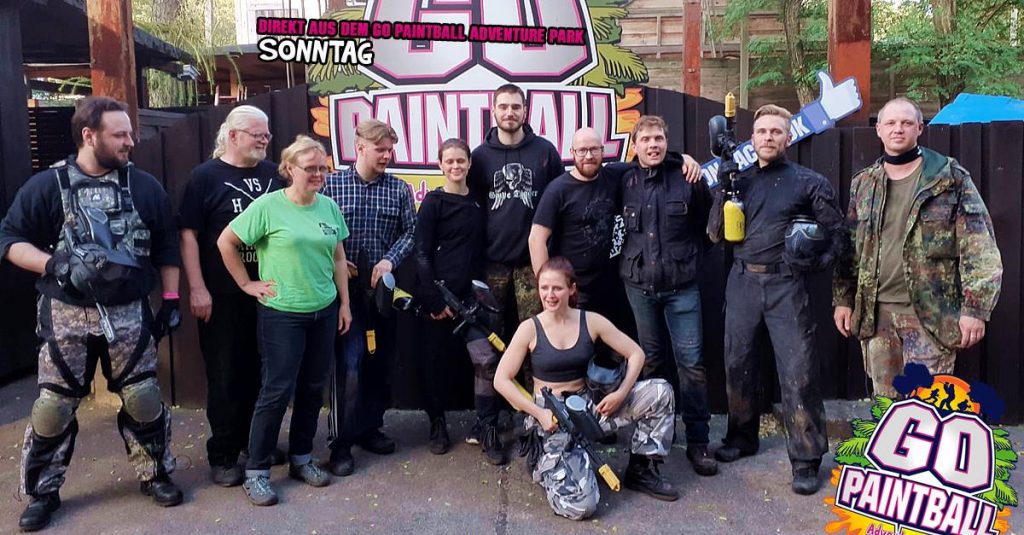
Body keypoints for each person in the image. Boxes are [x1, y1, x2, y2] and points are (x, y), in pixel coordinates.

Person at [0, 96, 183, 531]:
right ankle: (43, 492)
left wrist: (171, 299)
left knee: (143, 398)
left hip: (129, 312)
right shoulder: (47, 186)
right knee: (53, 408)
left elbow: (166, 246)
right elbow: (9, 240)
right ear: (89, 135)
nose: (130, 142)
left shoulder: (144, 187)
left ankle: (155, 473)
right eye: (119, 135)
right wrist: (54, 264)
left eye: (130, 133)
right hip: (66, 313)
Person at [707, 104, 848, 495]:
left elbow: (838, 235)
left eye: (776, 131)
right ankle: (741, 437)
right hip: (742, 281)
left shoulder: (809, 182)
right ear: (752, 138)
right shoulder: (739, 180)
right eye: (762, 131)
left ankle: (806, 459)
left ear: (788, 137)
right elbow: (715, 234)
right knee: (738, 363)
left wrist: (812, 262)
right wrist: (722, 188)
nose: (768, 137)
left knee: (798, 371)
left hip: (787, 285)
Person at [833, 97, 1002, 397]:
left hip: (930, 317)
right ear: (879, 130)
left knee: (926, 405)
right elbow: (850, 248)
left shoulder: (948, 178)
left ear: (920, 128)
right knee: (886, 406)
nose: (898, 129)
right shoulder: (865, 183)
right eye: (891, 123)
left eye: (906, 123)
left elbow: (979, 246)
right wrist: (843, 299)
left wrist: (975, 309)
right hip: (877, 316)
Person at [217, 135, 351, 506]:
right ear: (289, 169)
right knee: (276, 391)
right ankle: (257, 471)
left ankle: (301, 458)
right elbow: (226, 242)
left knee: (312, 388)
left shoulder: (328, 207)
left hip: (323, 311)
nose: (318, 174)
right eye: (310, 168)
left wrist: (344, 304)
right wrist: (246, 284)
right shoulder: (268, 206)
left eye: (323, 168)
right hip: (282, 314)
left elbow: (338, 258)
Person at [493, 257, 677, 521]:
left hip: (589, 408)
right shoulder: (529, 328)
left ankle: (641, 470)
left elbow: (636, 354)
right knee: (583, 506)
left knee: (660, 392)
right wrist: (538, 414)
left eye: (557, 288)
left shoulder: (590, 321)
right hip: (552, 419)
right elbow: (501, 380)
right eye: (544, 288)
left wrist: (620, 394)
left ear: (571, 289)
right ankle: (548, 464)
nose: (549, 295)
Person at [178, 105, 286, 487]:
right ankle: (223, 454)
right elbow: (189, 235)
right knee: (225, 374)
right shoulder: (204, 177)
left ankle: (255, 444)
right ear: (234, 135)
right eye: (258, 134)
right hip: (222, 294)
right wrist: (197, 287)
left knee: (264, 372)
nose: (265, 140)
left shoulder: (273, 174)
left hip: (270, 291)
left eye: (267, 134)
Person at [616, 116, 717, 477]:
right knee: (652, 365)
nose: (653, 145)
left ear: (666, 141)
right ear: (635, 145)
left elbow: (711, 227)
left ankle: (698, 442)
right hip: (639, 287)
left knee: (692, 365)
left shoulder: (688, 178)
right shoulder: (622, 180)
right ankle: (656, 436)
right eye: (645, 139)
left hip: (682, 288)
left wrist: (687, 260)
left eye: (658, 138)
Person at [322, 119, 416, 477]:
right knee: (349, 365)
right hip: (342, 294)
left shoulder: (399, 189)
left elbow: (411, 233)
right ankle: (340, 443)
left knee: (379, 362)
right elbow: (315, 229)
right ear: (359, 147)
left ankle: (370, 427)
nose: (387, 155)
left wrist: (390, 259)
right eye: (380, 149)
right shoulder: (330, 185)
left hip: (381, 294)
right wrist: (335, 259)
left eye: (390, 149)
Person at [468, 84, 564, 407]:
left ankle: (537, 414)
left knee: (536, 342)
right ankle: (490, 418)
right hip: (491, 263)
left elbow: (560, 202)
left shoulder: (545, 152)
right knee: (488, 343)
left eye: (516, 106)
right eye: (503, 106)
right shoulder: (479, 157)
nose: (509, 112)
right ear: (493, 110)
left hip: (532, 265)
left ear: (525, 110)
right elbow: (470, 208)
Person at [413, 138, 504, 464]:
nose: (455, 166)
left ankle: (487, 427)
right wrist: (434, 300)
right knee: (434, 365)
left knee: (486, 360)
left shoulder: (478, 202)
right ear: (440, 165)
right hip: (439, 301)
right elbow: (421, 253)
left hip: (473, 300)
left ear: (469, 163)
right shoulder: (433, 203)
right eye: (449, 161)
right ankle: (437, 424)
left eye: (460, 160)